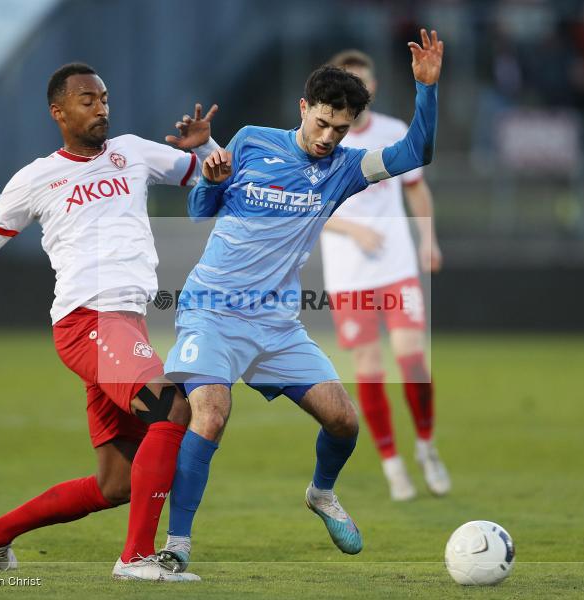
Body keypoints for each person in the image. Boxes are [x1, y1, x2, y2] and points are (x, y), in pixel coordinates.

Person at [0, 62, 220, 582]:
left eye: (104, 97)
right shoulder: (36, 178)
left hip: (125, 326)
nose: (101, 107)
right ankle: (135, 560)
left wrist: (204, 148)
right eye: (87, 99)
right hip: (89, 323)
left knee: (118, 486)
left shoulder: (133, 151)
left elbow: (212, 177)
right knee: (173, 406)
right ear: (57, 112)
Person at [155, 30, 445, 577]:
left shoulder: (345, 169)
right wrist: (207, 172)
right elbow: (200, 210)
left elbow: (416, 153)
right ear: (303, 108)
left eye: (341, 129)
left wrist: (426, 89)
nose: (328, 138)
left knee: (343, 422)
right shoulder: (249, 141)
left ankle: (320, 493)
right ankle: (177, 545)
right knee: (211, 414)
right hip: (212, 311)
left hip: (275, 324)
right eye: (321, 124)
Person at [320, 49, 450, 501]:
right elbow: (308, 208)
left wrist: (427, 240)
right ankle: (393, 464)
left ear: (371, 88)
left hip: (396, 266)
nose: (356, 89)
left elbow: (416, 189)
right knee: (370, 370)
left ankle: (427, 446)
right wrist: (352, 228)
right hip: (349, 273)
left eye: (362, 81)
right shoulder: (322, 141)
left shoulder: (395, 132)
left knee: (412, 359)